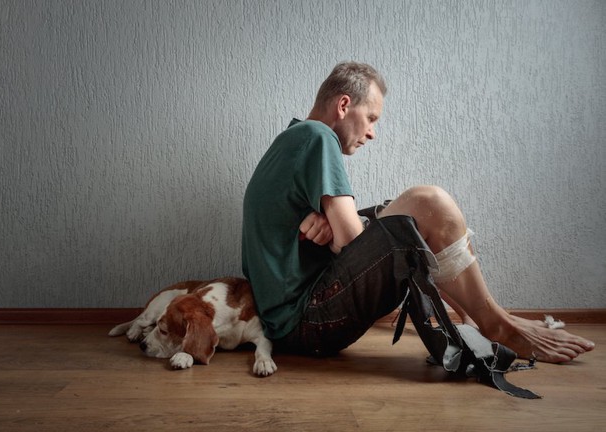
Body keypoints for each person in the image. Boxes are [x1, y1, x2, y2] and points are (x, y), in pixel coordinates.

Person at [241, 61, 595, 364]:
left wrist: (332, 227)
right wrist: (339, 235)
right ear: (344, 104)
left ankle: (483, 317)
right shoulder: (317, 137)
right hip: (308, 322)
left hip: (292, 323)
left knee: (399, 211)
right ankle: (495, 323)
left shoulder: (292, 140)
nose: (372, 133)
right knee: (429, 203)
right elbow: (352, 242)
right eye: (371, 118)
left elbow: (339, 237)